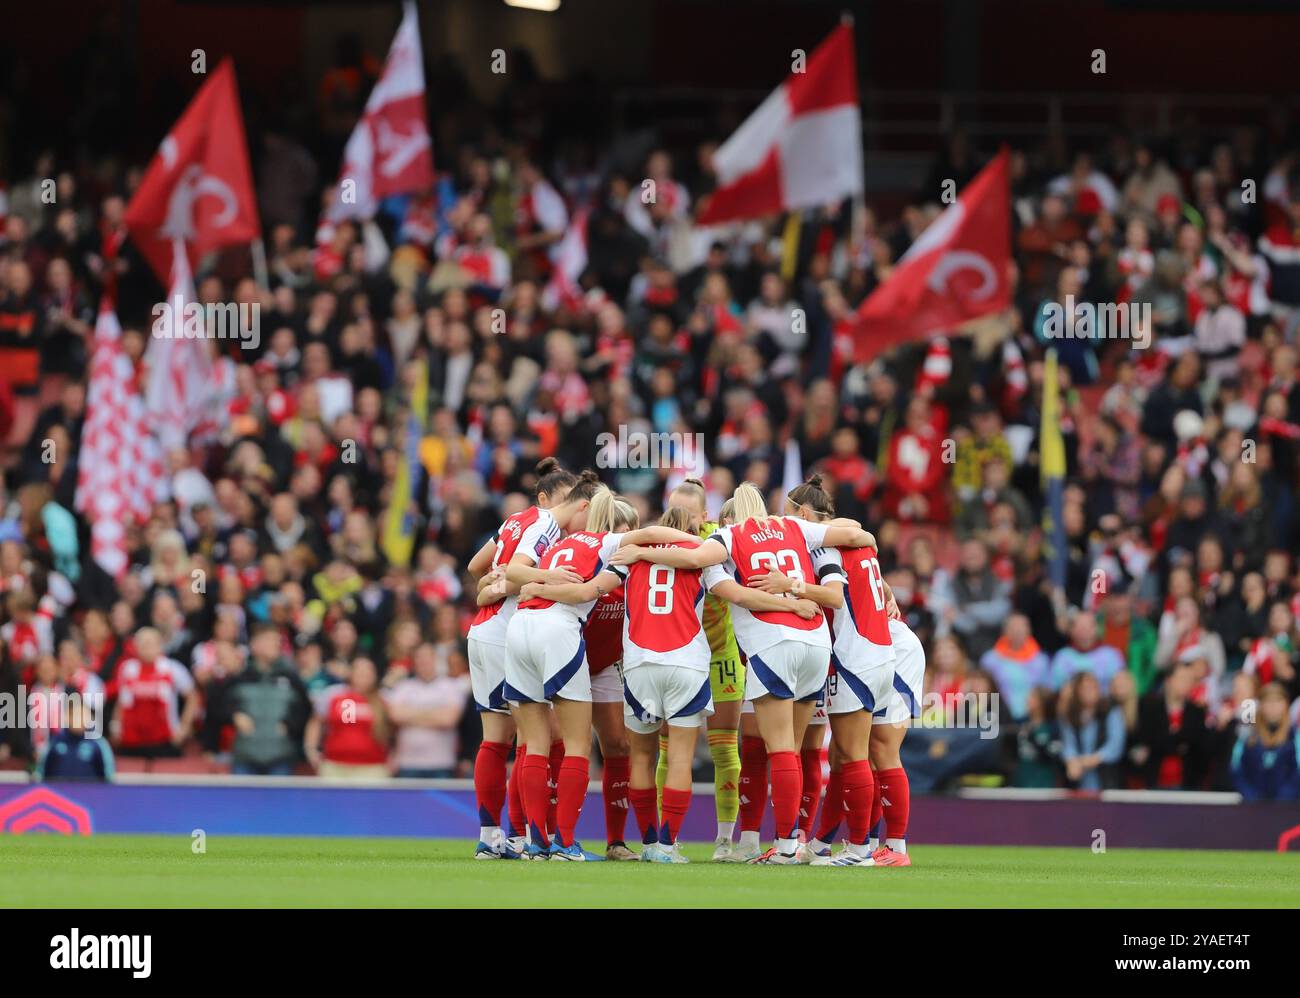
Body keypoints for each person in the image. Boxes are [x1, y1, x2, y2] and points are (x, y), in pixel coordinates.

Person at [612, 480, 874, 864]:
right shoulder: (796, 527)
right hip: (817, 643)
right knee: (798, 750)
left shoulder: (727, 536)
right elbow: (854, 532)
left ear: (729, 514)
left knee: (779, 747)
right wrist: (867, 547)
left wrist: (637, 551)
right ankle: (798, 842)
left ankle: (781, 847)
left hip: (771, 645)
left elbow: (705, 570)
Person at [502, 483, 699, 860]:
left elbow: (512, 577)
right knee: (571, 746)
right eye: (625, 531)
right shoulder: (613, 550)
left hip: (536, 634)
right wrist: (709, 545)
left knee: (542, 744)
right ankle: (559, 841)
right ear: (614, 528)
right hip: (562, 642)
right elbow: (584, 591)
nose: (629, 539)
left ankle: (538, 841)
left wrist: (537, 586)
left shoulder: (560, 545)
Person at [761, 475, 893, 868]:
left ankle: (860, 850)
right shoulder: (856, 538)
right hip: (879, 650)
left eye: (788, 515)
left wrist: (791, 585)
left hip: (856, 655)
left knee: (852, 756)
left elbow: (834, 594)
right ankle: (839, 843)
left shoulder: (825, 544)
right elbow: (864, 544)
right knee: (848, 756)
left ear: (802, 514)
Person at [463, 458, 581, 858]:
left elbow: (477, 566)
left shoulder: (513, 519)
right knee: (530, 739)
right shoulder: (545, 523)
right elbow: (516, 571)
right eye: (569, 499)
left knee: (496, 740)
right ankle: (520, 835)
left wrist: (492, 584)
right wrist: (546, 578)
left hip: (482, 629)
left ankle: (491, 837)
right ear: (548, 498)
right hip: (506, 633)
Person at [662, 477, 746, 861]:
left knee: (725, 748)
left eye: (688, 518)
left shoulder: (722, 540)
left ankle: (725, 839)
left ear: (705, 517)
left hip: (721, 655)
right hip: (679, 656)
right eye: (674, 516)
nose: (680, 525)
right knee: (670, 749)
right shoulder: (656, 540)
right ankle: (668, 837)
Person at [218, 624, 312, 776]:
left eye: (277, 641)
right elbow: (218, 706)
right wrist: (233, 715)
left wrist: (290, 725)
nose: (275, 645)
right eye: (269, 640)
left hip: (281, 755)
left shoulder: (290, 676)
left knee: (279, 800)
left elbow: (305, 709)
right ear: (254, 645)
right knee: (242, 799)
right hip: (245, 755)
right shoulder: (240, 677)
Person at [106, 627, 198, 760]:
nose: (146, 648)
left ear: (159, 645)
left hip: (164, 740)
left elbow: (192, 698)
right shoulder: (128, 668)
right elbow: (122, 702)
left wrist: (184, 728)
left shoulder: (172, 668)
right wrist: (116, 726)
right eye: (142, 644)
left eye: (150, 643)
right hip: (131, 740)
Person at [386, 642, 469, 778]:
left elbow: (449, 720)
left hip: (441, 763)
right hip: (407, 763)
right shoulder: (403, 687)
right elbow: (395, 716)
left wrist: (410, 714)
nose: (423, 661)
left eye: (427, 657)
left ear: (436, 659)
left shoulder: (451, 687)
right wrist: (435, 713)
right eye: (419, 657)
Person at [306, 656, 391, 781]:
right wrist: (311, 750)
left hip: (372, 768)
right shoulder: (333, 694)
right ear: (351, 672)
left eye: (367, 671)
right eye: (359, 670)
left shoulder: (384, 698)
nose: (363, 675)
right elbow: (316, 721)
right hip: (335, 767)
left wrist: (395, 756)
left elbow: (396, 728)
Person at [1229, 682, 1300, 800]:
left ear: (1286, 705)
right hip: (1252, 808)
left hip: (1286, 809)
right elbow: (1236, 769)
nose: (1273, 706)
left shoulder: (1295, 737)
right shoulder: (1248, 736)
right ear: (1261, 705)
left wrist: (1285, 796)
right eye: (1268, 701)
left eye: (1278, 701)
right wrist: (1250, 795)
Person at [1059, 672, 1126, 790]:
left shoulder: (1111, 710)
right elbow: (1068, 744)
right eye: (1085, 688)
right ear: (1077, 692)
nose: (1090, 691)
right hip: (1078, 783)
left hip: (1106, 780)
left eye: (1094, 687)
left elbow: (1115, 745)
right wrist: (1072, 761)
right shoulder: (1070, 714)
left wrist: (1090, 760)